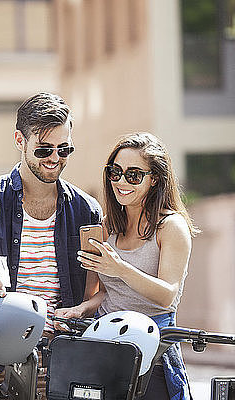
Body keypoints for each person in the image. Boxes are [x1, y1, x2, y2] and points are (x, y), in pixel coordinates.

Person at [0, 92, 102, 393]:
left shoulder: (88, 211)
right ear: (19, 140)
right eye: (44, 149)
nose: (54, 158)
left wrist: (81, 312)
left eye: (64, 150)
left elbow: (95, 290)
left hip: (65, 360)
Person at [55, 132, 199, 400]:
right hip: (104, 343)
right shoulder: (108, 226)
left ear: (154, 179)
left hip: (153, 346)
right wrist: (82, 309)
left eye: (133, 175)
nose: (121, 181)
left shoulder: (170, 227)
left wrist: (119, 267)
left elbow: (168, 294)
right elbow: (106, 292)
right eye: (115, 172)